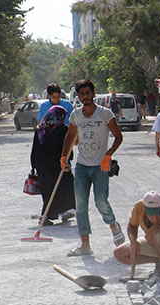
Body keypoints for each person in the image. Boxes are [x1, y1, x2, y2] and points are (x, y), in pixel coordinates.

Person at [60, 79, 124, 256]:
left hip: (100, 167)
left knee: (101, 201)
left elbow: (118, 137)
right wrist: (64, 156)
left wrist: (108, 154)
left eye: (88, 93)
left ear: (93, 94)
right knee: (80, 205)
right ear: (78, 96)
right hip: (81, 166)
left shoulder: (105, 114)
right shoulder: (76, 115)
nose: (85, 97)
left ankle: (113, 225)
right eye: (81, 94)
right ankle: (85, 245)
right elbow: (70, 135)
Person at [30, 105, 75, 226]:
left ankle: (54, 213)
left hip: (42, 166)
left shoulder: (40, 129)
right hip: (57, 165)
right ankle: (46, 215)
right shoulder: (62, 130)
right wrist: (69, 158)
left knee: (48, 190)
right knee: (65, 186)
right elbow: (67, 148)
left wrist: (33, 165)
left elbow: (35, 150)